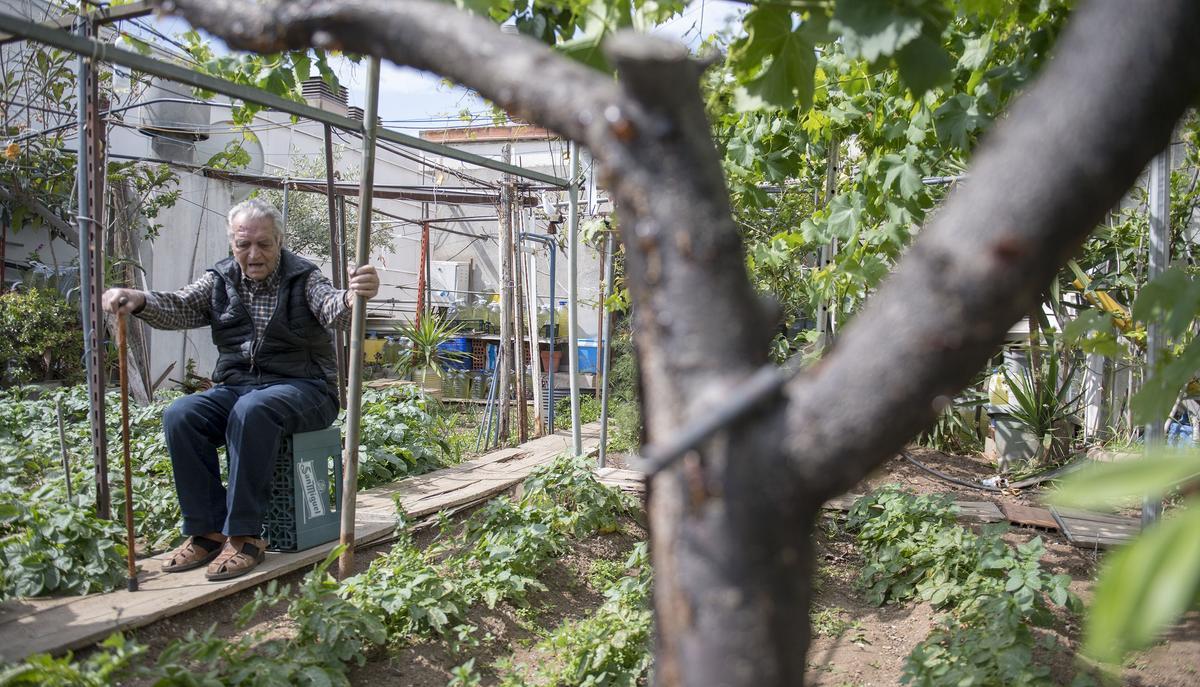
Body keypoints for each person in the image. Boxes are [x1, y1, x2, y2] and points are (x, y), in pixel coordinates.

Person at [103, 198, 379, 580]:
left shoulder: (304, 277)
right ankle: (207, 530)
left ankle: (246, 536)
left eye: (264, 244)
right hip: (239, 387)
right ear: (232, 244)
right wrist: (140, 301)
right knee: (181, 415)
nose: (253, 254)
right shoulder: (220, 280)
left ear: (279, 241)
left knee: (254, 411)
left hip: (306, 388)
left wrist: (355, 294)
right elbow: (180, 305)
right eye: (243, 244)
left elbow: (334, 307)